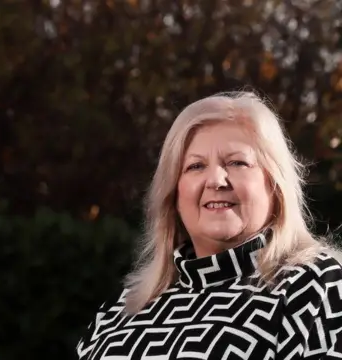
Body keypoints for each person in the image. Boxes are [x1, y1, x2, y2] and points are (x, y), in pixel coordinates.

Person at [76, 91, 342, 359]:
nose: (216, 180)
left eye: (237, 162)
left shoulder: (319, 286)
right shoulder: (120, 310)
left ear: (275, 185)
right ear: (174, 193)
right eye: (195, 166)